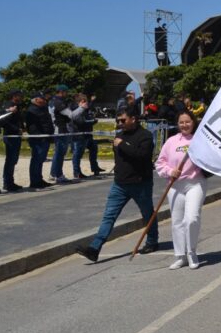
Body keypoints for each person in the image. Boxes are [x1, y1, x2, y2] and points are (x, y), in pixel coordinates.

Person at [75, 107, 158, 263]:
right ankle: (95, 248)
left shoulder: (145, 136)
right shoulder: (119, 135)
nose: (120, 123)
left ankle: (152, 241)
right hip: (120, 184)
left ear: (134, 119)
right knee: (109, 216)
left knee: (148, 214)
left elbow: (142, 155)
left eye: (123, 120)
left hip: (140, 184)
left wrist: (123, 145)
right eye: (118, 121)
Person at [155, 110, 208, 270]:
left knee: (191, 218)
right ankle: (180, 256)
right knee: (177, 221)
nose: (185, 125)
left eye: (188, 122)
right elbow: (160, 163)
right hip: (175, 185)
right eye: (181, 122)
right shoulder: (171, 141)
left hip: (195, 182)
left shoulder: (200, 140)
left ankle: (191, 252)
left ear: (193, 122)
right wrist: (170, 172)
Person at [25, 92, 55, 190]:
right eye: (42, 98)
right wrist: (40, 135)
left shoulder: (43, 108)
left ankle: (39, 179)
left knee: (40, 160)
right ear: (36, 99)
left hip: (45, 138)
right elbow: (33, 126)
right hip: (38, 138)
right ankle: (34, 181)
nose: (44, 100)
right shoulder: (32, 110)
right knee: (36, 160)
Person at [1, 89, 26, 192]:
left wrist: (23, 127)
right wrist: (17, 129)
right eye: (19, 95)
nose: (21, 97)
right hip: (10, 135)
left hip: (16, 135)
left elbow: (18, 119)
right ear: (14, 96)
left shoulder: (17, 106)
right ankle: (7, 183)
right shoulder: (8, 105)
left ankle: (10, 181)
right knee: (10, 159)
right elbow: (4, 121)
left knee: (14, 159)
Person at [65, 93, 93, 179]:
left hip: (84, 134)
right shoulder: (75, 109)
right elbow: (78, 121)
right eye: (85, 101)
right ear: (80, 102)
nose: (86, 103)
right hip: (76, 134)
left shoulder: (84, 110)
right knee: (76, 154)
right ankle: (76, 172)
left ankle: (78, 171)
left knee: (80, 154)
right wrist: (89, 122)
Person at [49, 85, 72, 184]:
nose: (67, 94)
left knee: (58, 153)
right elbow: (70, 114)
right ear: (61, 92)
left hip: (58, 128)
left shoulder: (52, 101)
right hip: (60, 129)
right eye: (66, 92)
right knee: (60, 153)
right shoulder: (58, 102)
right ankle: (58, 175)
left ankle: (54, 173)